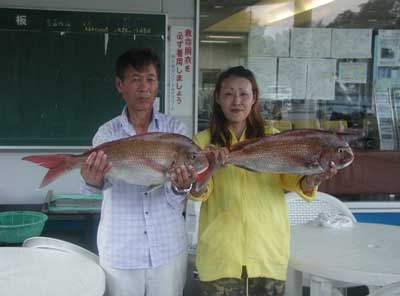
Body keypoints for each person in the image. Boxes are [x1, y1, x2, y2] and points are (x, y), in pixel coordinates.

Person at [188, 66, 337, 296]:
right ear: (217, 98)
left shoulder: (274, 138)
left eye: (244, 94)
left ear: (254, 97)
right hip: (221, 254)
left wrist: (312, 179)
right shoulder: (203, 141)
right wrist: (211, 169)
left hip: (267, 251)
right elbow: (198, 192)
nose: (236, 101)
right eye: (228, 94)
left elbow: (293, 180)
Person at [80, 48, 195, 296]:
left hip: (167, 249)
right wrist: (93, 180)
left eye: (150, 79)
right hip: (122, 251)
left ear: (157, 85)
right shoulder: (107, 133)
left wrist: (181, 186)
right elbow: (99, 185)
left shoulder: (175, 130)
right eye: (135, 79)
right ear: (120, 85)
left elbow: (178, 195)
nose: (144, 87)